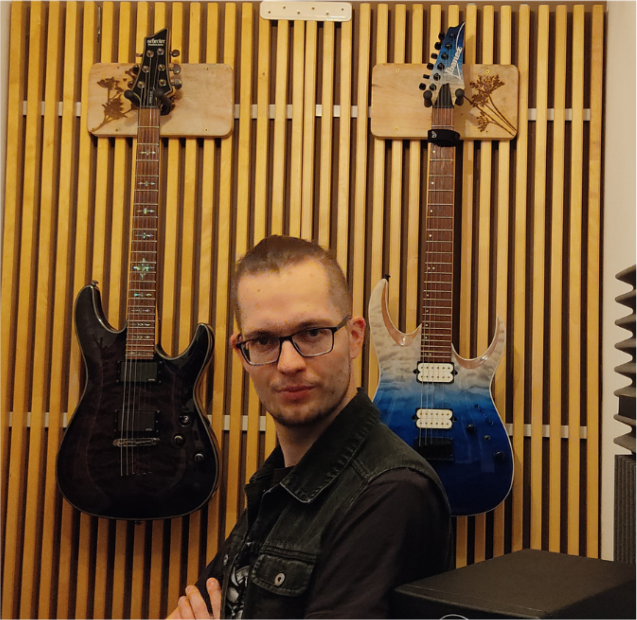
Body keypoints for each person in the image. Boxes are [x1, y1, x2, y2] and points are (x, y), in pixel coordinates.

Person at [167, 235, 453, 620]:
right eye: (264, 340)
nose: (289, 363)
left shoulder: (393, 492)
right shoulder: (277, 481)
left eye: (312, 333)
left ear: (355, 337)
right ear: (242, 353)